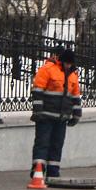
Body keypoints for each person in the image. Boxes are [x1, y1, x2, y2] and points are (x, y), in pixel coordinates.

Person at [30, 47, 81, 179]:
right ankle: (38, 170)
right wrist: (38, 111)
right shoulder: (47, 70)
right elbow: (37, 90)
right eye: (67, 63)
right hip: (46, 115)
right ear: (62, 61)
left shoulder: (73, 76)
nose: (69, 65)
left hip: (61, 117)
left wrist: (76, 114)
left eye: (71, 63)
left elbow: (75, 96)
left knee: (57, 144)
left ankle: (53, 171)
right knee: (43, 142)